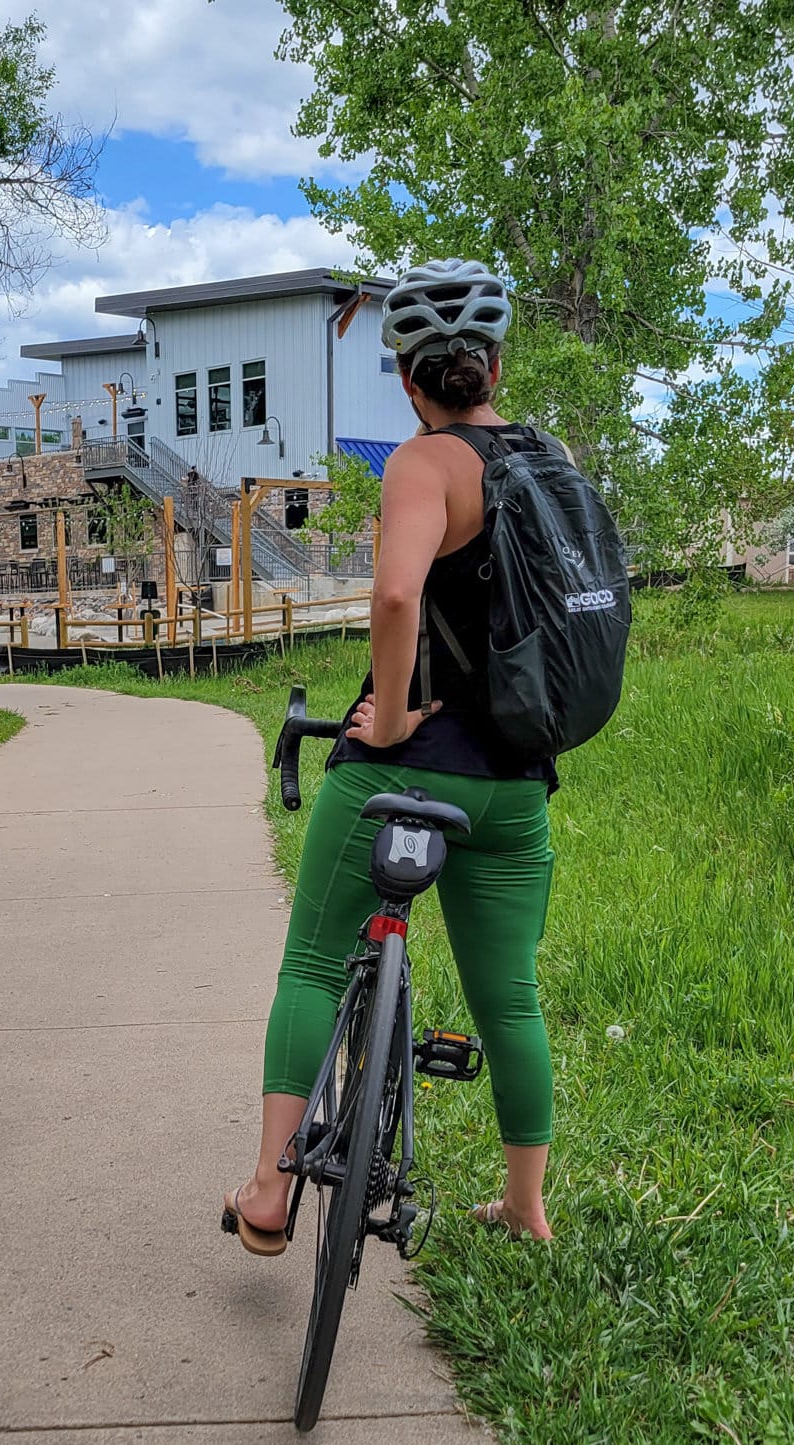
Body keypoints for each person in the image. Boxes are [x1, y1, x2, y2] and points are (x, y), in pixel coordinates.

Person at [225, 258, 562, 1248]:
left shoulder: (422, 462)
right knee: (510, 999)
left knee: (314, 970)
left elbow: (397, 596)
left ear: (407, 378)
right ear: (495, 365)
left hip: (403, 776)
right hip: (514, 785)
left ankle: (270, 1195)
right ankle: (528, 1210)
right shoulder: (552, 459)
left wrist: (399, 712)